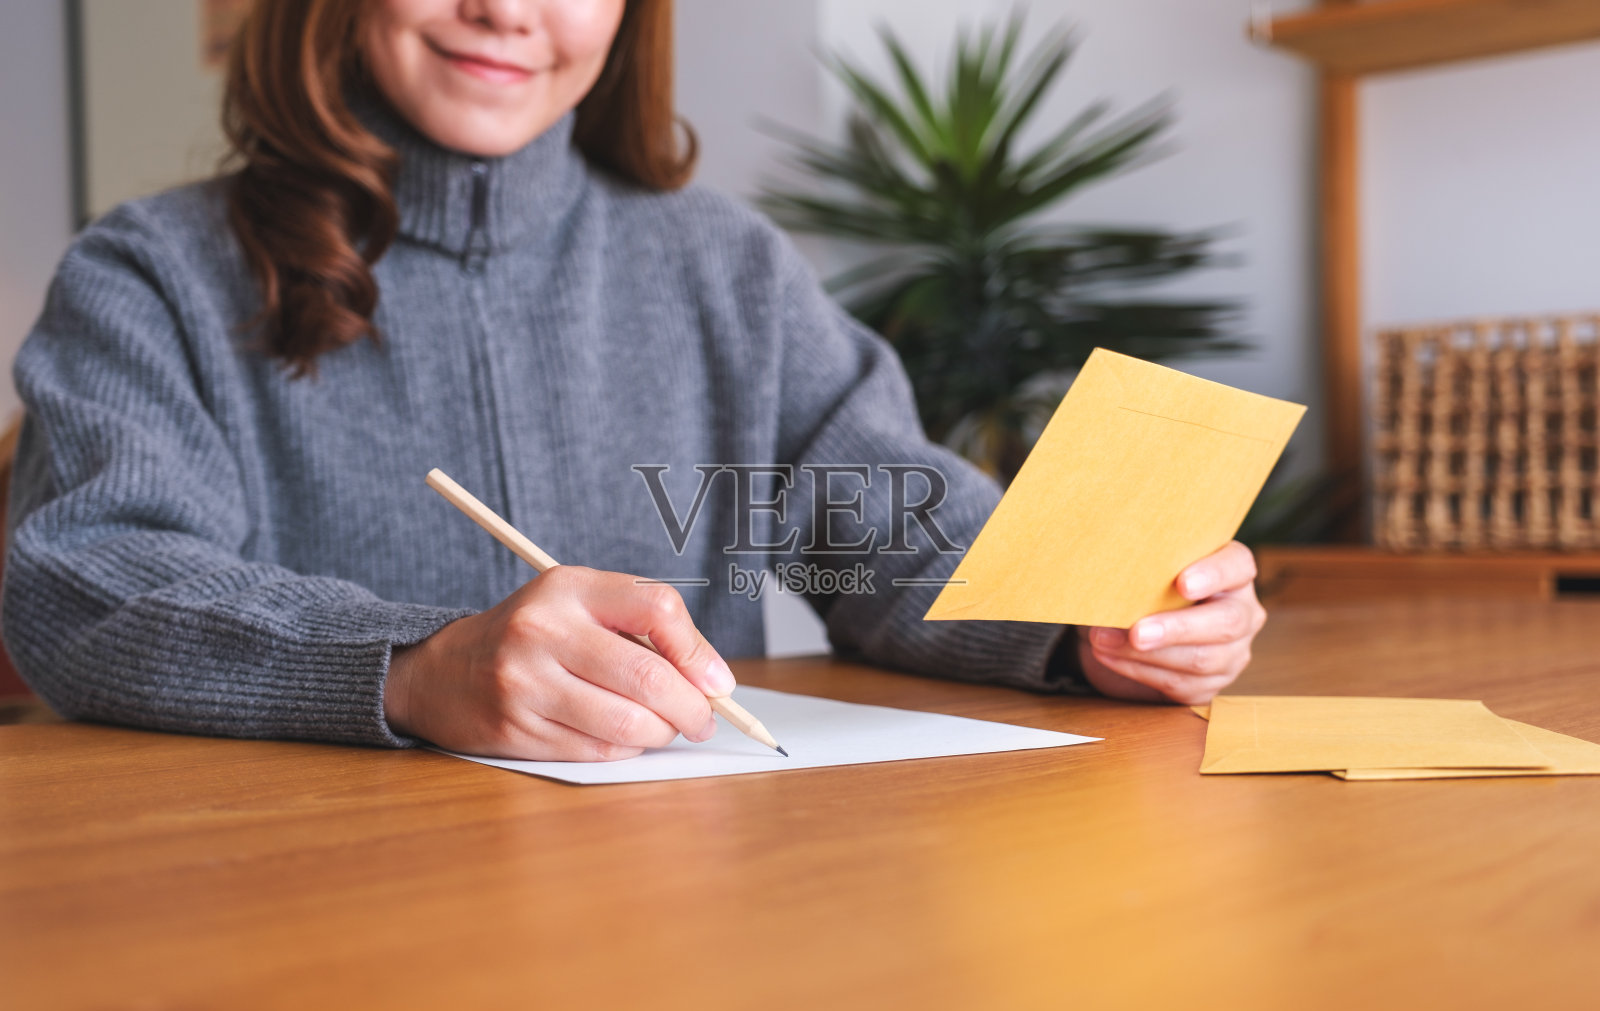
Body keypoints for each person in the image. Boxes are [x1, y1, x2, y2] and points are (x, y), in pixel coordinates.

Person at [2, 0, 1265, 761]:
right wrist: (408, 664)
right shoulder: (150, 272)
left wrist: (1080, 622)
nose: (508, 8)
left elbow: (881, 530)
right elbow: (86, 581)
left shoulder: (720, 264)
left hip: (680, 901)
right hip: (304, 916)